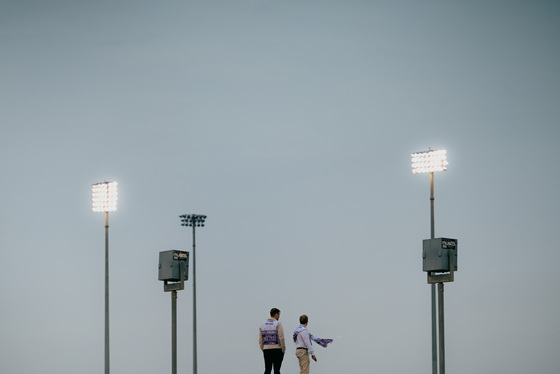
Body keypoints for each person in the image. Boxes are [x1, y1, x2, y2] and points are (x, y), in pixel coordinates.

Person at [259, 308, 285, 374]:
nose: (279, 316)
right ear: (276, 315)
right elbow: (281, 337)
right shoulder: (278, 323)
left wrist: (263, 348)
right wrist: (283, 348)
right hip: (277, 349)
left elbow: (260, 339)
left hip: (266, 349)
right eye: (279, 315)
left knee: (267, 369)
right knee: (277, 370)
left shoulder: (262, 324)